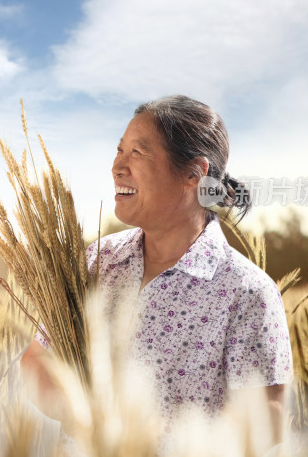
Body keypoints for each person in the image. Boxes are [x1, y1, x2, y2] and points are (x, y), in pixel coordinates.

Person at [22, 95, 292, 439]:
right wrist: (87, 420)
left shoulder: (246, 291)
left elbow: (268, 417)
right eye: (120, 150)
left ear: (195, 173)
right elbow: (36, 362)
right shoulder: (97, 261)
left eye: (138, 152)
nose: (118, 165)